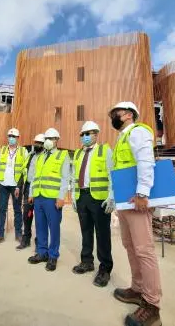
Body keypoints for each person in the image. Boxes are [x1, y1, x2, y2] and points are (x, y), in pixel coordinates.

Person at [109, 101, 162, 326]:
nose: (113, 117)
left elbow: (145, 162)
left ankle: (152, 305)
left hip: (136, 200)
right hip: (125, 202)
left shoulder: (138, 132)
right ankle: (138, 289)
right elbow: (119, 171)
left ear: (129, 115)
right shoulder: (122, 138)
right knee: (130, 246)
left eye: (116, 113)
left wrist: (142, 192)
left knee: (144, 250)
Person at [71, 121, 115, 287]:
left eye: (88, 133)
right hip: (82, 196)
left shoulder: (105, 150)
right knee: (86, 231)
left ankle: (105, 269)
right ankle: (87, 261)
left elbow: (112, 174)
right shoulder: (77, 154)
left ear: (96, 134)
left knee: (102, 234)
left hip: (99, 198)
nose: (85, 137)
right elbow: (74, 177)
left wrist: (112, 196)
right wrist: (75, 197)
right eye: (82, 134)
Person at [28, 128, 70, 271]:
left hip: (52, 198)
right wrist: (31, 193)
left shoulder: (62, 155)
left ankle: (53, 256)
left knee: (54, 228)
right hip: (38, 196)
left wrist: (61, 197)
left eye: (51, 138)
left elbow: (65, 178)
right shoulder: (39, 156)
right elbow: (34, 177)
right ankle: (42, 253)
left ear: (57, 140)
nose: (48, 141)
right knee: (40, 226)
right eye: (46, 138)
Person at [0, 128, 28, 246]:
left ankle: (18, 233)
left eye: (13, 136)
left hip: (16, 186)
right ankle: (0, 234)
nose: (11, 138)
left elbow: (24, 171)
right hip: (3, 184)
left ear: (18, 138)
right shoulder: (2, 150)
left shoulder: (23, 151)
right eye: (9, 136)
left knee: (17, 210)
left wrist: (18, 186)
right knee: (2, 209)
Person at [16, 133, 45, 250]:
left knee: (39, 217)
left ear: (44, 144)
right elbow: (23, 172)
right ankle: (26, 239)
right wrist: (18, 186)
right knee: (27, 215)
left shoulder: (45, 157)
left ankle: (39, 241)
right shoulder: (30, 155)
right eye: (36, 142)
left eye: (40, 143)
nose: (37, 145)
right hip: (28, 188)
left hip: (39, 189)